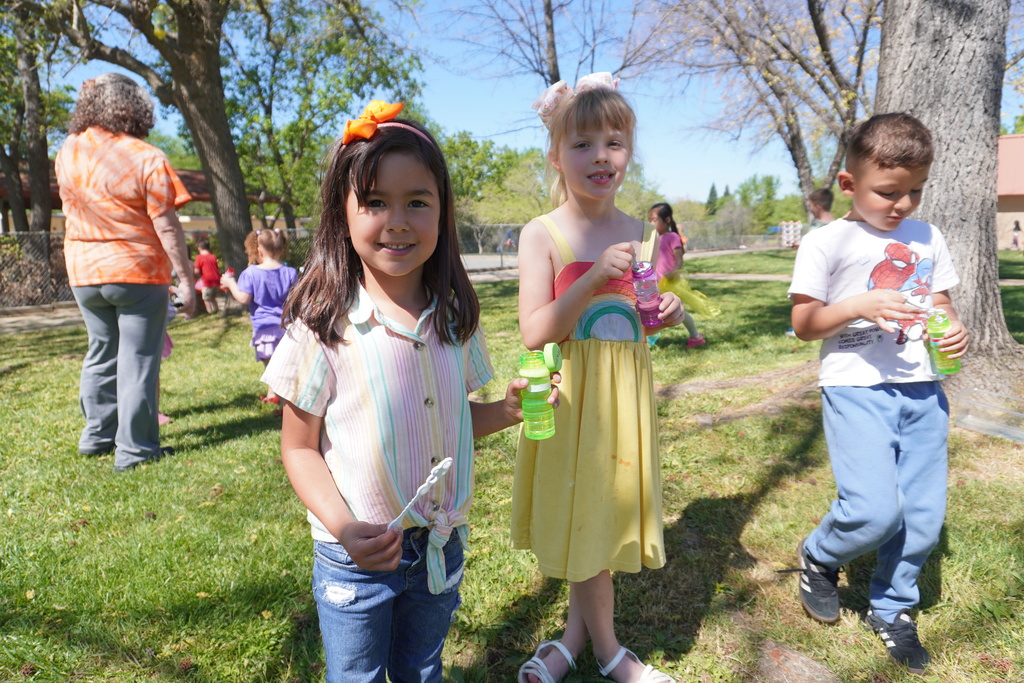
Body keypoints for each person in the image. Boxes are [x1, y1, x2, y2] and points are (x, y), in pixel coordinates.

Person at [262, 101, 554, 683]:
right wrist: (345, 529)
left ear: (442, 214)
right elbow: (298, 448)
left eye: (417, 202)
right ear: (341, 215)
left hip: (441, 546)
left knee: (423, 669)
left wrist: (506, 410)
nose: (397, 220)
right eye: (375, 202)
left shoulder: (453, 317)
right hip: (356, 558)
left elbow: (452, 421)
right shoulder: (322, 325)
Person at [513, 74, 683, 683]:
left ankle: (571, 639)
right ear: (556, 156)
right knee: (581, 511)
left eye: (613, 142)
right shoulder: (543, 234)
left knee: (601, 515)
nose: (599, 156)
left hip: (625, 394)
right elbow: (535, 331)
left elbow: (637, 320)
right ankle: (611, 654)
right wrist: (586, 280)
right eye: (581, 144)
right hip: (573, 398)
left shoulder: (641, 231)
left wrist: (667, 312)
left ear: (629, 152)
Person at [787, 113, 968, 675]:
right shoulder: (827, 242)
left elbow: (939, 303)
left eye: (915, 191)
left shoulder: (927, 237)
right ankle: (819, 556)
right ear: (848, 184)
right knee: (872, 510)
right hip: (856, 387)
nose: (904, 204)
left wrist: (954, 328)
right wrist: (857, 306)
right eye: (889, 192)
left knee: (922, 514)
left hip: (921, 388)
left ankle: (892, 607)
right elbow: (804, 323)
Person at [56, 73, 195, 472]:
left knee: (101, 352)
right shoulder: (147, 157)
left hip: (83, 271)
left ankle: (97, 436)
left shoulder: (67, 150)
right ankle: (135, 450)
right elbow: (167, 226)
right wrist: (186, 280)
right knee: (137, 359)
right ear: (134, 108)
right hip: (137, 271)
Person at [221, 228, 298, 408]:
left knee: (274, 368)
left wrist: (231, 284)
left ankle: (285, 407)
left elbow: (243, 298)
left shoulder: (251, 273)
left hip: (264, 329)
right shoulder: (290, 272)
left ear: (258, 251)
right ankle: (273, 395)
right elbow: (297, 299)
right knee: (282, 367)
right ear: (281, 249)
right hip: (286, 328)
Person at [648, 201, 718, 349]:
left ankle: (695, 336)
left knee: (677, 311)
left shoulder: (672, 237)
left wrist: (674, 271)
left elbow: (679, 258)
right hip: (657, 282)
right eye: (650, 220)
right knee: (653, 309)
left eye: (654, 220)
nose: (651, 223)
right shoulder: (655, 239)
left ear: (667, 220)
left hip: (670, 282)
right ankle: (646, 339)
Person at [193, 238, 222, 314]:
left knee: (206, 298)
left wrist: (193, 275)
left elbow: (197, 271)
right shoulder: (213, 256)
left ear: (199, 248)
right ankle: (216, 310)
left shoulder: (199, 257)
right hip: (217, 280)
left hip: (207, 281)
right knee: (213, 298)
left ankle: (210, 312)